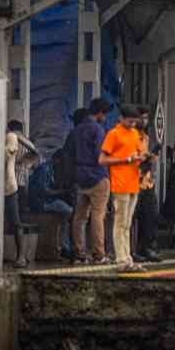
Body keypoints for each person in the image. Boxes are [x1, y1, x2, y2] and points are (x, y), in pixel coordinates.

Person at [99, 104, 148, 272]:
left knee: (127, 223)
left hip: (134, 182)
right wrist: (125, 160)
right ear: (120, 119)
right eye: (129, 122)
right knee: (120, 222)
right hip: (120, 183)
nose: (132, 125)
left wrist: (143, 158)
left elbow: (139, 154)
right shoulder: (114, 134)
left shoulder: (135, 134)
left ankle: (128, 257)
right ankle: (121, 258)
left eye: (135, 122)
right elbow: (103, 160)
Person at [71, 98, 111, 265]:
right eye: (105, 114)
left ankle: (80, 253)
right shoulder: (98, 130)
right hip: (97, 176)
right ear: (100, 113)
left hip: (81, 177)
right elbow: (100, 156)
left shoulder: (77, 130)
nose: (106, 118)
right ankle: (99, 254)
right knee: (97, 216)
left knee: (80, 217)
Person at [4, 120, 38, 267]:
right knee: (15, 221)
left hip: (13, 186)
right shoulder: (7, 140)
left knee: (16, 221)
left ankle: (22, 256)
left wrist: (17, 136)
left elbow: (36, 154)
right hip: (16, 184)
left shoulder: (12, 138)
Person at [133, 106, 162, 263]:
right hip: (134, 181)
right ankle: (132, 250)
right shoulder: (131, 136)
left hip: (147, 182)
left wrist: (151, 158)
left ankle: (146, 248)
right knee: (131, 218)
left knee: (150, 216)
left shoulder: (145, 137)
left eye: (145, 118)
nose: (144, 121)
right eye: (141, 118)